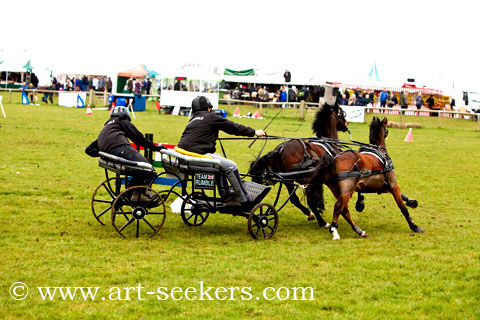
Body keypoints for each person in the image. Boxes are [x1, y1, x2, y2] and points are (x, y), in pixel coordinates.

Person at [178, 96, 265, 205]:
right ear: (208, 108)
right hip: (196, 157)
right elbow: (233, 127)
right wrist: (253, 132)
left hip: (185, 158)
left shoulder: (191, 121)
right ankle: (244, 198)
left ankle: (225, 194)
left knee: (218, 158)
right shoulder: (210, 117)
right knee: (231, 166)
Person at [95, 106, 166, 194]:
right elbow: (139, 139)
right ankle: (131, 194)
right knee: (149, 170)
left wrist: (106, 152)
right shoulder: (122, 121)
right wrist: (156, 148)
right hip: (121, 147)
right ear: (126, 117)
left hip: (111, 153)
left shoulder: (107, 127)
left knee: (142, 165)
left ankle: (131, 193)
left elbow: (90, 149)